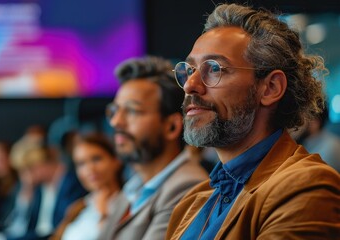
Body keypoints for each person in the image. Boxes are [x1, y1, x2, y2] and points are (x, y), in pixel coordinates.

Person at [166, 3, 340, 239]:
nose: (189, 85)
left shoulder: (307, 186)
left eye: (214, 69)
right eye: (190, 70)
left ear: (270, 88)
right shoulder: (192, 202)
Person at [100, 56, 208, 240]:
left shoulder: (187, 187)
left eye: (132, 111)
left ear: (171, 127)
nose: (115, 121)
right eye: (115, 110)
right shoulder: (135, 185)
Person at [51, 132, 123, 240]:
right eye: (81, 164)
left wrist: (104, 216)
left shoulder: (130, 203)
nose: (90, 169)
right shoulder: (78, 207)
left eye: (96, 159)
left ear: (116, 161)